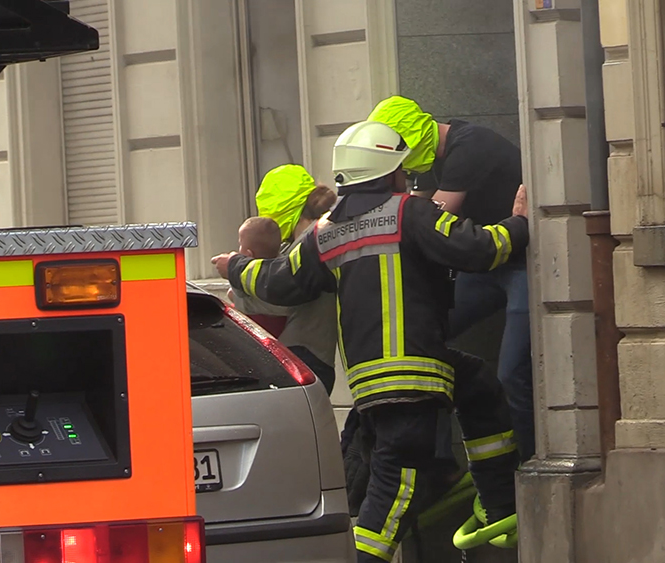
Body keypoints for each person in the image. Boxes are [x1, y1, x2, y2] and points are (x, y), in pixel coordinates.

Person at [212, 121, 528, 561]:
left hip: (376, 381)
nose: (408, 177)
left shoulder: (323, 232)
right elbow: (479, 249)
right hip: (413, 376)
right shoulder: (409, 212)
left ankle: (499, 502)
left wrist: (234, 266)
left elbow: (277, 281)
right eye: (402, 169)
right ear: (388, 171)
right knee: (395, 489)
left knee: (479, 386)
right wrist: (520, 221)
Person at [368, 95, 535, 463]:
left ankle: (531, 465)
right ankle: (436, 459)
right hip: (487, 263)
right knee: (422, 342)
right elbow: (408, 212)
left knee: (512, 373)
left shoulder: (470, 146)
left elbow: (427, 218)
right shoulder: (429, 158)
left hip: (524, 262)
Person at [229, 164, 340, 394]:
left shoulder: (308, 247)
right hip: (318, 358)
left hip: (305, 357)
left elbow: (282, 297)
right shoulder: (319, 238)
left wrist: (236, 291)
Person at [231, 217, 288, 337]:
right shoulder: (281, 267)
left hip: (258, 330)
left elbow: (234, 294)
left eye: (240, 244)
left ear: (248, 254)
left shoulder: (248, 276)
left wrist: (232, 265)